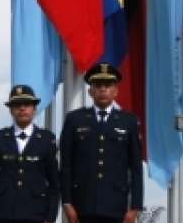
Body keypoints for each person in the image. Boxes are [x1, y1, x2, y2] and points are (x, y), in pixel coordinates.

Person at [60, 63, 144, 223]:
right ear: (90, 91)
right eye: (98, 85)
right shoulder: (74, 120)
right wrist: (67, 203)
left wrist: (135, 207)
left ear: (115, 91)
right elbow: (66, 166)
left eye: (108, 85)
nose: (103, 89)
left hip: (116, 206)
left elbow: (135, 169)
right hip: (82, 205)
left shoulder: (129, 122)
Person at [0, 85, 60, 223]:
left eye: (27, 104)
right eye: (17, 105)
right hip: (3, 212)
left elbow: (54, 182)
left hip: (36, 213)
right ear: (11, 110)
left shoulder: (47, 139)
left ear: (34, 109)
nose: (22, 108)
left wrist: (50, 217)